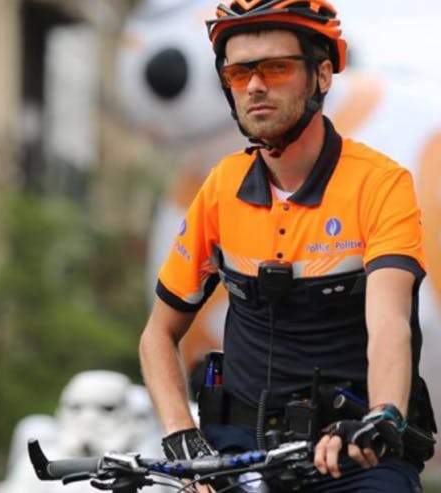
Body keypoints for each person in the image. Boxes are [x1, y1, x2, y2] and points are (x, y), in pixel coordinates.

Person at [138, 0, 437, 490]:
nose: (255, 86)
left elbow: (390, 324)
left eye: (276, 68)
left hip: (353, 450)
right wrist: (180, 435)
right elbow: (158, 335)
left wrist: (381, 414)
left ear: (323, 75)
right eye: (239, 73)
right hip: (238, 452)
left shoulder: (380, 183)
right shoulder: (220, 187)